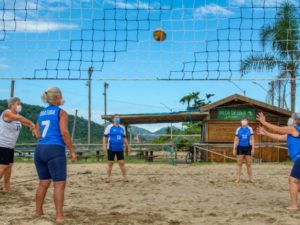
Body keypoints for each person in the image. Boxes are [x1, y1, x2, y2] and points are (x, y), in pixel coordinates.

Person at [34, 87, 77, 223]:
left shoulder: (40, 113)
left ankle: (39, 212)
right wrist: (72, 151)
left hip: (40, 149)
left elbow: (38, 134)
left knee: (43, 183)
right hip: (55, 149)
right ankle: (59, 216)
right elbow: (64, 132)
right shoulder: (61, 112)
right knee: (59, 184)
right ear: (57, 97)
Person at [257, 112, 300, 210]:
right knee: (298, 185)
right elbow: (280, 137)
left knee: (292, 180)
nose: (289, 119)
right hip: (298, 159)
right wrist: (266, 133)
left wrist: (264, 122)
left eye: (291, 118)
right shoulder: (291, 133)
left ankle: (293, 205)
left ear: (295, 121)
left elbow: (278, 129)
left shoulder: (295, 128)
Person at [0, 97, 36, 191]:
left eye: (20, 104)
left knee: (9, 165)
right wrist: (31, 123)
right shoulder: (7, 113)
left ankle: (6, 186)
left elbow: (24, 122)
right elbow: (18, 118)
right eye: (18, 104)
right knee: (3, 166)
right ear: (11, 105)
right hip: (2, 144)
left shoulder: (18, 115)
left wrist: (32, 127)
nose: (20, 106)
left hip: (10, 145)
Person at [103, 114, 131, 182]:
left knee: (122, 163)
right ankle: (108, 177)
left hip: (120, 148)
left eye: (118, 118)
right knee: (110, 163)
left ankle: (125, 177)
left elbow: (124, 137)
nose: (117, 119)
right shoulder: (109, 127)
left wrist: (128, 146)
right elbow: (105, 137)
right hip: (111, 147)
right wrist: (104, 145)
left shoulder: (122, 128)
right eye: (116, 118)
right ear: (113, 119)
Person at [233, 116, 255, 183]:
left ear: (247, 121)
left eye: (245, 120)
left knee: (249, 164)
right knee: (239, 164)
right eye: (243, 120)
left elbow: (252, 139)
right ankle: (238, 178)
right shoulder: (238, 129)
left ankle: (251, 178)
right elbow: (236, 139)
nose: (244, 121)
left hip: (248, 147)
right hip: (240, 148)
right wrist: (234, 148)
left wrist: (253, 148)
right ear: (241, 121)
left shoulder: (250, 129)